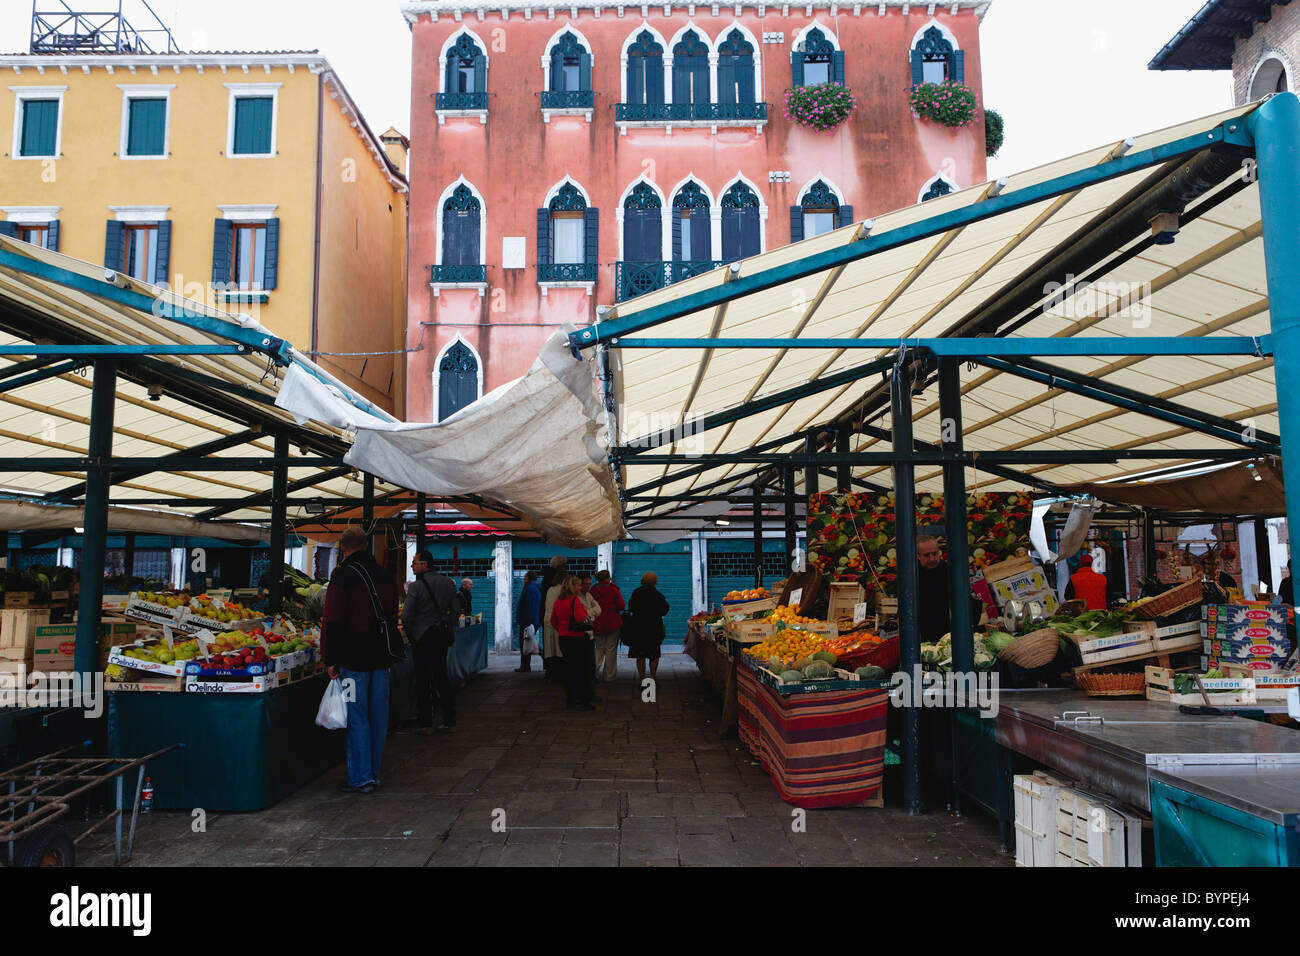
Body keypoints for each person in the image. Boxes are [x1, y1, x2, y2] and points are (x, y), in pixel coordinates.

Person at [322, 526, 402, 794]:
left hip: (353, 658)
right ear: (366, 545)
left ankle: (361, 777)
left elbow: (332, 621)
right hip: (380, 656)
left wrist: (330, 657)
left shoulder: (342, 577)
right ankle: (373, 773)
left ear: (343, 548)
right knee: (378, 716)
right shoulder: (385, 575)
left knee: (357, 716)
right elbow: (392, 615)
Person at [402, 549, 461, 734]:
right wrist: (446, 624)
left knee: (423, 679)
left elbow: (406, 615)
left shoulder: (415, 587)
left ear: (424, 565)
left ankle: (426, 723)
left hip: (422, 636)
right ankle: (449, 720)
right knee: (441, 676)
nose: (412, 565)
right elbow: (456, 610)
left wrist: (411, 634)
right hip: (440, 635)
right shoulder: (447, 583)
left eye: (414, 562)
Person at [551, 575, 595, 711]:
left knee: (569, 670)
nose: (580, 588)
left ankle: (570, 699)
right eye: (578, 585)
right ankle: (582, 701)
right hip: (577, 638)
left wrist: (562, 629)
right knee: (581, 670)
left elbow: (553, 621)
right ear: (572, 586)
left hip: (563, 638)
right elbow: (580, 617)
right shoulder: (574, 601)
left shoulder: (558, 602)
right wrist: (583, 609)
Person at [624, 571, 670, 683]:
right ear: (655, 582)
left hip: (638, 627)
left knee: (640, 655)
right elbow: (664, 610)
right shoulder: (658, 595)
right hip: (654, 628)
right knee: (654, 655)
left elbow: (630, 607)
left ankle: (642, 678)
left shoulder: (636, 593)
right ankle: (653, 677)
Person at [590, 569, 625, 682]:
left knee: (599, 648)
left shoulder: (593, 590)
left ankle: (592, 673)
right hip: (612, 623)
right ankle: (609, 676)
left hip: (597, 623)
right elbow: (621, 605)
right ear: (608, 578)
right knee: (611, 649)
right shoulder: (613, 590)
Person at [916, 535, 952, 643]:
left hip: (948, 633)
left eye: (935, 554)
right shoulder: (912, 575)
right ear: (918, 556)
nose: (932, 559)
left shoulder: (949, 571)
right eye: (926, 555)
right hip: (922, 634)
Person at [539, 555, 567, 679]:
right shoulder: (561, 589)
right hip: (557, 618)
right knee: (559, 646)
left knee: (549, 646)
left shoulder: (547, 583)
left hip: (546, 617)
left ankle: (550, 671)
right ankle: (558, 672)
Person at [577, 573, 603, 701]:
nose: (588, 586)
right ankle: (584, 694)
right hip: (582, 633)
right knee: (584, 665)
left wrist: (589, 612)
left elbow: (598, 609)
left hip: (590, 633)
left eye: (589, 583)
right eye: (585, 584)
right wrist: (590, 613)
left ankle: (589, 692)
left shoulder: (588, 595)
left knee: (590, 664)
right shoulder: (576, 598)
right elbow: (581, 615)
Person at [516, 570, 543, 672]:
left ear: (528, 578)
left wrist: (527, 621)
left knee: (526, 642)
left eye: (524, 577)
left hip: (528, 621)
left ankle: (526, 665)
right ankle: (525, 665)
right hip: (532, 620)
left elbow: (530, 606)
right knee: (528, 642)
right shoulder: (535, 587)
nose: (523, 579)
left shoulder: (530, 589)